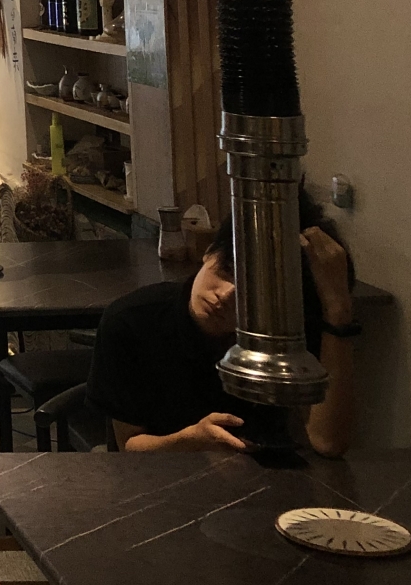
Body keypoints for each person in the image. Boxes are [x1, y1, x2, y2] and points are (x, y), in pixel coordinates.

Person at [87, 191, 358, 456]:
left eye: (253, 292)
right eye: (227, 269)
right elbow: (128, 446)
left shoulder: (285, 332)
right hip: (163, 477)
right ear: (209, 252)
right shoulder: (131, 322)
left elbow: (327, 441)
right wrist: (192, 441)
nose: (227, 295)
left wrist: (338, 308)